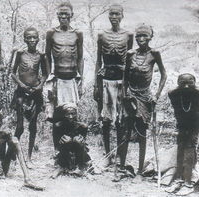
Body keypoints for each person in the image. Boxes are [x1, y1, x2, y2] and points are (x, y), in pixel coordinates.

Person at [122, 24, 167, 175]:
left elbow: (163, 75)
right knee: (126, 131)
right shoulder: (130, 54)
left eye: (144, 36)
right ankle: (121, 167)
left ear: (150, 38)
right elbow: (125, 78)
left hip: (145, 96)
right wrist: (124, 94)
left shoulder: (155, 53)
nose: (141, 39)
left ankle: (140, 170)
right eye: (138, 36)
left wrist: (156, 96)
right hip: (130, 96)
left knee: (142, 132)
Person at [93, 4, 133, 168]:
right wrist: (96, 84)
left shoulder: (128, 35)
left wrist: (127, 84)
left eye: (117, 14)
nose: (114, 17)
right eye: (111, 14)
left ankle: (119, 156)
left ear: (122, 16)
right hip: (105, 80)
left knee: (120, 121)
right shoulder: (102, 34)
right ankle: (107, 155)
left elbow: (129, 61)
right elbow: (98, 60)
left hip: (121, 81)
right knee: (106, 120)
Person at [45, 2, 84, 149]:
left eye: (66, 14)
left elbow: (80, 58)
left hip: (72, 79)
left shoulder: (77, 33)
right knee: (57, 117)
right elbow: (47, 56)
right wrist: (50, 79)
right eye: (60, 14)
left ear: (71, 15)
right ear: (57, 15)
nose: (63, 17)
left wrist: (81, 81)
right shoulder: (51, 33)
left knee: (72, 115)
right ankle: (58, 152)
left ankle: (74, 150)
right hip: (58, 79)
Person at [0, 111, 43, 190]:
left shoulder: (4, 135)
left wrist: (13, 141)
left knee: (15, 141)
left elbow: (13, 153)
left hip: (3, 167)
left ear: (1, 123)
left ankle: (27, 178)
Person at [11, 27, 49, 161]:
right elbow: (12, 72)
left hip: (35, 93)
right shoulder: (20, 54)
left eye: (34, 37)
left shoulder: (41, 55)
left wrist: (39, 86)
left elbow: (45, 73)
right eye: (29, 37)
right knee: (20, 126)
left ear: (38, 39)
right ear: (25, 39)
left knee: (33, 126)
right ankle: (13, 155)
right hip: (21, 92)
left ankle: (29, 156)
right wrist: (21, 84)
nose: (32, 40)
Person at [168, 73, 199, 195]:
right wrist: (182, 85)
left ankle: (188, 182)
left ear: (195, 83)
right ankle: (179, 178)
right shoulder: (175, 94)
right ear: (178, 83)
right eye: (182, 83)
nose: (186, 86)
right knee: (180, 148)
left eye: (190, 82)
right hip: (182, 123)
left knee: (190, 149)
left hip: (195, 123)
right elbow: (171, 91)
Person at [51, 103, 91, 178]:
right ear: (64, 115)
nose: (70, 117)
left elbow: (84, 144)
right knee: (66, 140)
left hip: (78, 150)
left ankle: (80, 166)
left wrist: (81, 141)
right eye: (67, 114)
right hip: (64, 151)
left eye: (73, 114)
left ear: (76, 114)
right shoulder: (58, 126)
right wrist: (61, 141)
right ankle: (62, 166)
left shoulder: (82, 127)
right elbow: (56, 146)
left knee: (78, 140)